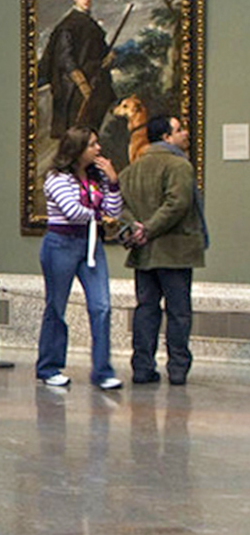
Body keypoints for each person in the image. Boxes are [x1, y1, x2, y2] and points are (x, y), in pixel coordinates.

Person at [119, 114, 206, 386]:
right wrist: (150, 228)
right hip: (174, 251)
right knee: (179, 312)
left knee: (146, 310)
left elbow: (119, 204)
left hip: (144, 253)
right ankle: (178, 369)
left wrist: (136, 229)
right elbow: (178, 203)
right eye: (179, 130)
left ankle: (142, 367)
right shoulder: (179, 165)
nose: (185, 134)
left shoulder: (132, 169)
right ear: (166, 137)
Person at [35, 126, 123, 389]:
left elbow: (113, 209)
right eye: (92, 145)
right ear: (77, 149)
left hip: (91, 243)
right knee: (56, 306)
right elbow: (73, 210)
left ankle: (102, 371)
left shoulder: (97, 177)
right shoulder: (56, 177)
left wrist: (114, 182)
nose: (98, 149)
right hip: (60, 244)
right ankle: (49, 367)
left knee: (101, 306)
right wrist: (101, 216)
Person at [40, 0, 110, 140]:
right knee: (77, 135)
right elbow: (66, 59)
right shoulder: (67, 26)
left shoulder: (90, 23)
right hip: (74, 90)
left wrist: (108, 58)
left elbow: (98, 50)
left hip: (93, 83)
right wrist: (83, 85)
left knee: (93, 130)